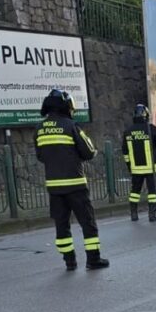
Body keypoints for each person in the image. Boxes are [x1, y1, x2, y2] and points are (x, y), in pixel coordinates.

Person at [35, 89, 109, 271]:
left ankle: (69, 262)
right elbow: (89, 152)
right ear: (66, 106)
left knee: (61, 226)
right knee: (87, 223)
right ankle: (93, 260)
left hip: (54, 188)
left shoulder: (40, 129)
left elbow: (41, 156)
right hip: (75, 185)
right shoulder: (71, 126)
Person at [122, 103, 156, 222]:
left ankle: (133, 214)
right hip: (151, 169)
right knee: (152, 192)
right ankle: (152, 215)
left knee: (135, 192)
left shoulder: (128, 131)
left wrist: (130, 167)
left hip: (136, 169)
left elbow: (125, 153)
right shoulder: (150, 128)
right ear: (146, 115)